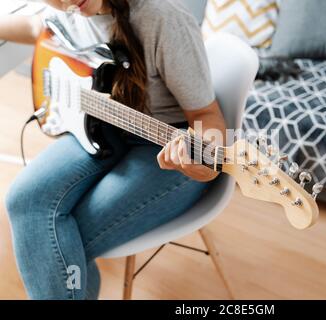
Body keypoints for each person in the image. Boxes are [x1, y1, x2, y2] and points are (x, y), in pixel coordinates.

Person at [0, 0, 226, 300]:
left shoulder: (162, 18)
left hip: (167, 149)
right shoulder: (68, 11)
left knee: (55, 241)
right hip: (104, 128)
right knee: (23, 200)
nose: (67, 0)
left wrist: (202, 158)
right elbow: (34, 26)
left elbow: (207, 117)